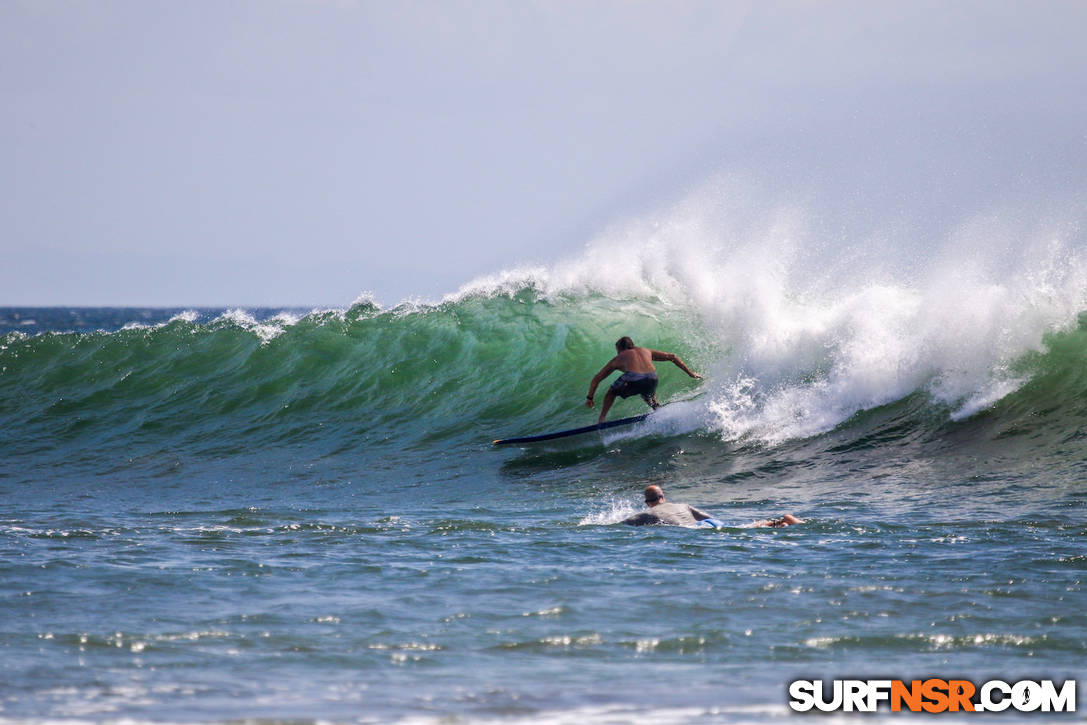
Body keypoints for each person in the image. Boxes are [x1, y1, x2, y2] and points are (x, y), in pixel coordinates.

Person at [584, 337, 702, 423]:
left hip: (634, 377)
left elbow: (597, 379)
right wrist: (690, 373)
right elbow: (673, 357)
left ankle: (602, 419)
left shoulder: (619, 358)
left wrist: (590, 397)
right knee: (648, 394)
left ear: (620, 348)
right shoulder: (646, 351)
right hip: (652, 377)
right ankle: (660, 413)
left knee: (611, 392)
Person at [622, 485, 802, 528]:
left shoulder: (648, 513)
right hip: (707, 524)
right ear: (663, 497)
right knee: (736, 529)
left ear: (648, 502)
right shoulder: (683, 505)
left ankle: (781, 523)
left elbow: (622, 525)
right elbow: (711, 519)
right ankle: (779, 522)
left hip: (692, 530)